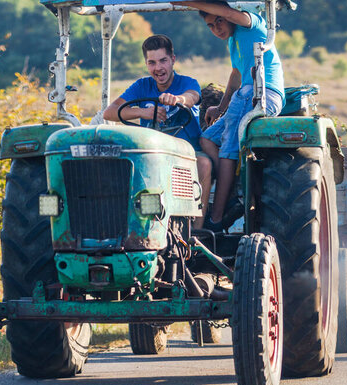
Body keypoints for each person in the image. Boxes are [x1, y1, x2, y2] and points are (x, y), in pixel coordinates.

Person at [180, 1, 285, 231]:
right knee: (207, 139)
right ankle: (235, 189)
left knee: (228, 150)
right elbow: (237, 74)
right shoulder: (233, 42)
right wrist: (220, 107)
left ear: (229, 16)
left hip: (261, 93)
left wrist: (185, 2)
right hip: (245, 94)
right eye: (210, 25)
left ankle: (216, 219)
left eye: (219, 21)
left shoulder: (254, 25)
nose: (217, 27)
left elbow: (229, 12)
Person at [103, 34, 212, 228]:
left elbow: (192, 96)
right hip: (153, 154)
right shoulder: (142, 86)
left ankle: (197, 231)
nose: (158, 68)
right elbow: (110, 112)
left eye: (163, 61)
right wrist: (144, 112)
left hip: (185, 155)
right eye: (151, 63)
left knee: (203, 164)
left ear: (173, 60)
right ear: (146, 64)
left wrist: (177, 99)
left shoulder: (187, 82)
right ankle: (126, 227)